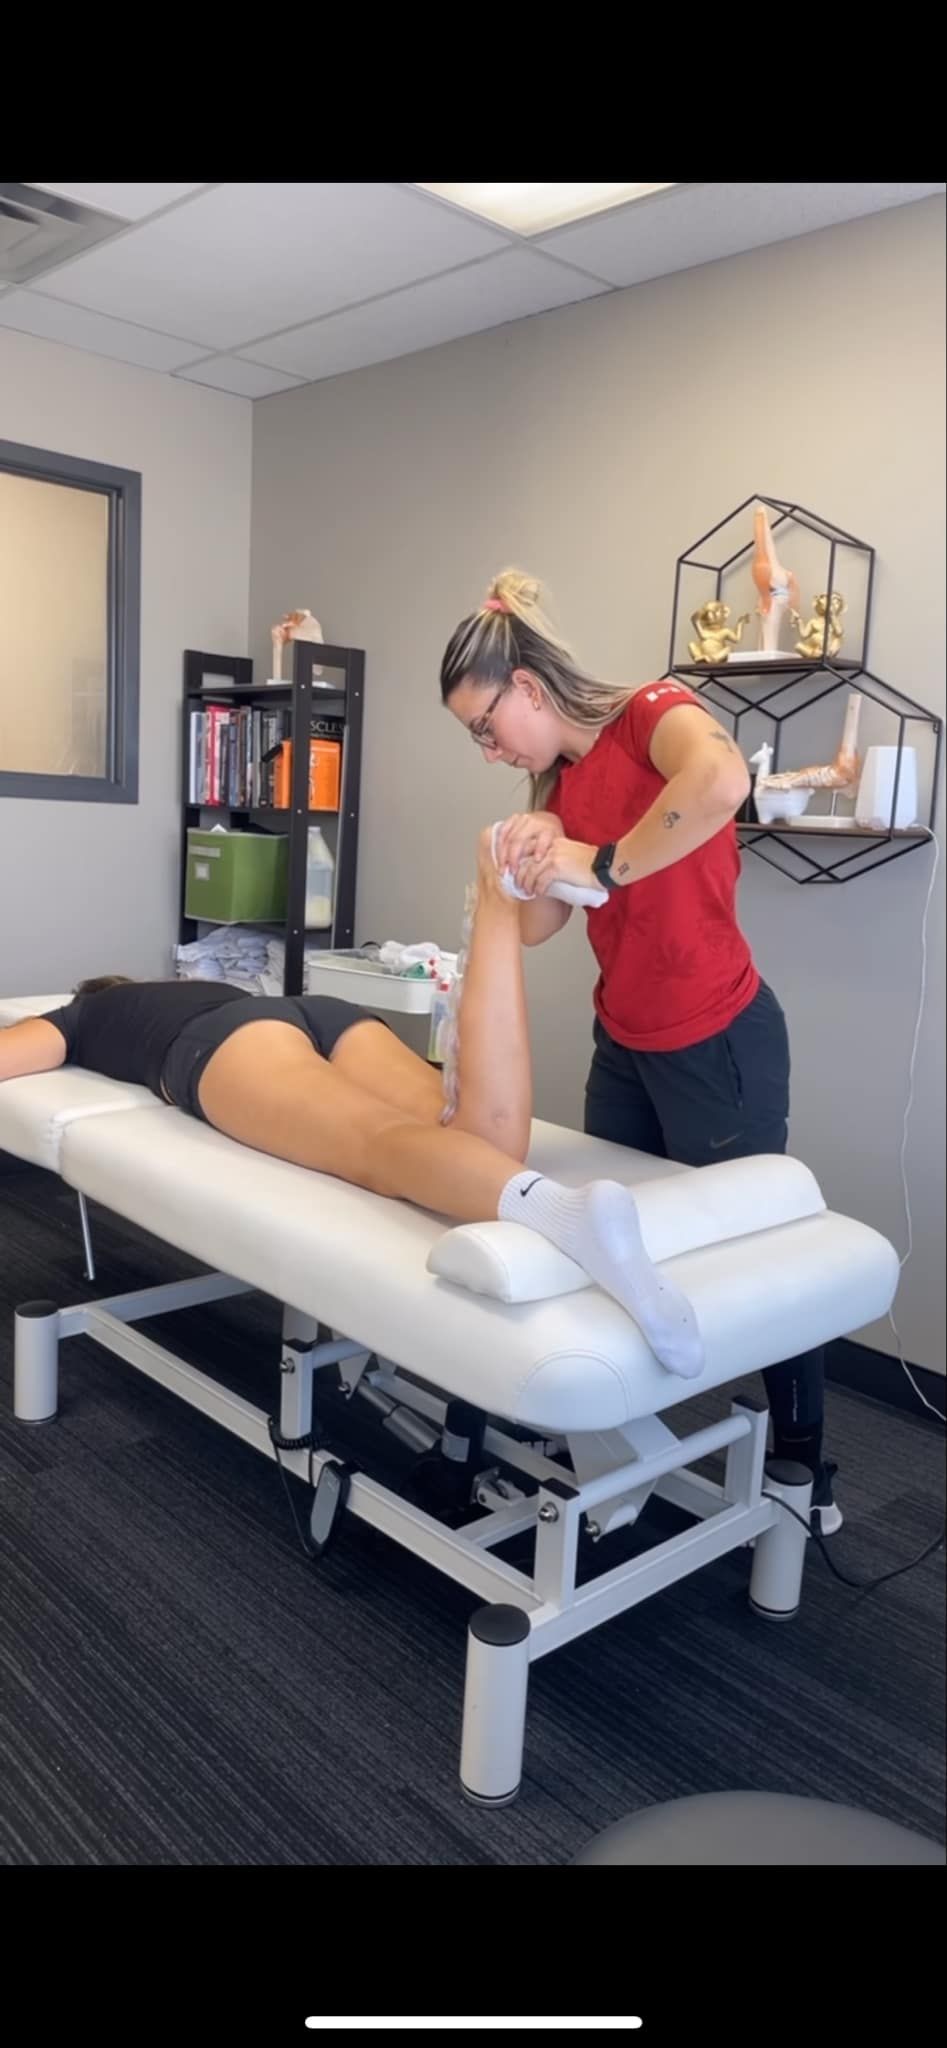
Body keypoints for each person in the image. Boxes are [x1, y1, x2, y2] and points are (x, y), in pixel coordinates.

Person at [440, 569, 840, 1533]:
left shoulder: (654, 711)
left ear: (528, 687)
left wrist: (603, 858)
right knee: (605, 1243)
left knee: (760, 1247)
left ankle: (799, 1468)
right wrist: (528, 846)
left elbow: (721, 781)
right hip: (622, 1040)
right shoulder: (559, 783)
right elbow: (537, 928)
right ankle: (612, 1436)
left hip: (719, 1039)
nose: (490, 750)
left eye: (487, 727)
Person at [0, 832, 702, 1380]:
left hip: (219, 1045)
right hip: (314, 1011)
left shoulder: (83, 1013)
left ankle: (565, 1216)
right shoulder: (168, 989)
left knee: (376, 1146)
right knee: (475, 1137)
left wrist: (63, 1024)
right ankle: (492, 908)